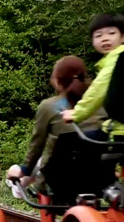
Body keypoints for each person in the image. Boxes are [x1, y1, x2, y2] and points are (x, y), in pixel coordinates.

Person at [6, 55, 107, 197]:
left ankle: (19, 185)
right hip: (99, 180)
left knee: (46, 158)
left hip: (57, 181)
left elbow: (37, 145)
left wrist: (23, 170)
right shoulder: (102, 104)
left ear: (58, 81)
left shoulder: (49, 106)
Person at [61, 13, 124, 142]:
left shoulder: (119, 58)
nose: (105, 39)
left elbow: (98, 89)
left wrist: (77, 113)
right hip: (115, 126)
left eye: (111, 33)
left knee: (67, 143)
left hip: (120, 131)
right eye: (99, 35)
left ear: (123, 37)